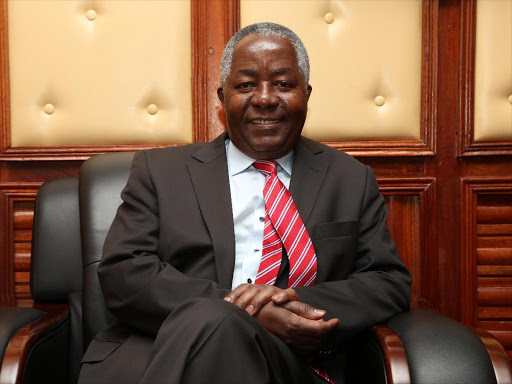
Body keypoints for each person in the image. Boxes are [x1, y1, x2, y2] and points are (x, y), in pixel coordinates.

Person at [78, 22, 411, 384]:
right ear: (223, 98)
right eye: (246, 85)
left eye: (283, 84)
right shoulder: (160, 172)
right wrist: (244, 309)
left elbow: (387, 281)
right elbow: (123, 273)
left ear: (307, 94)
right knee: (216, 322)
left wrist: (293, 308)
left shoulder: (350, 179)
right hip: (158, 349)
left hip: (285, 361)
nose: (265, 98)